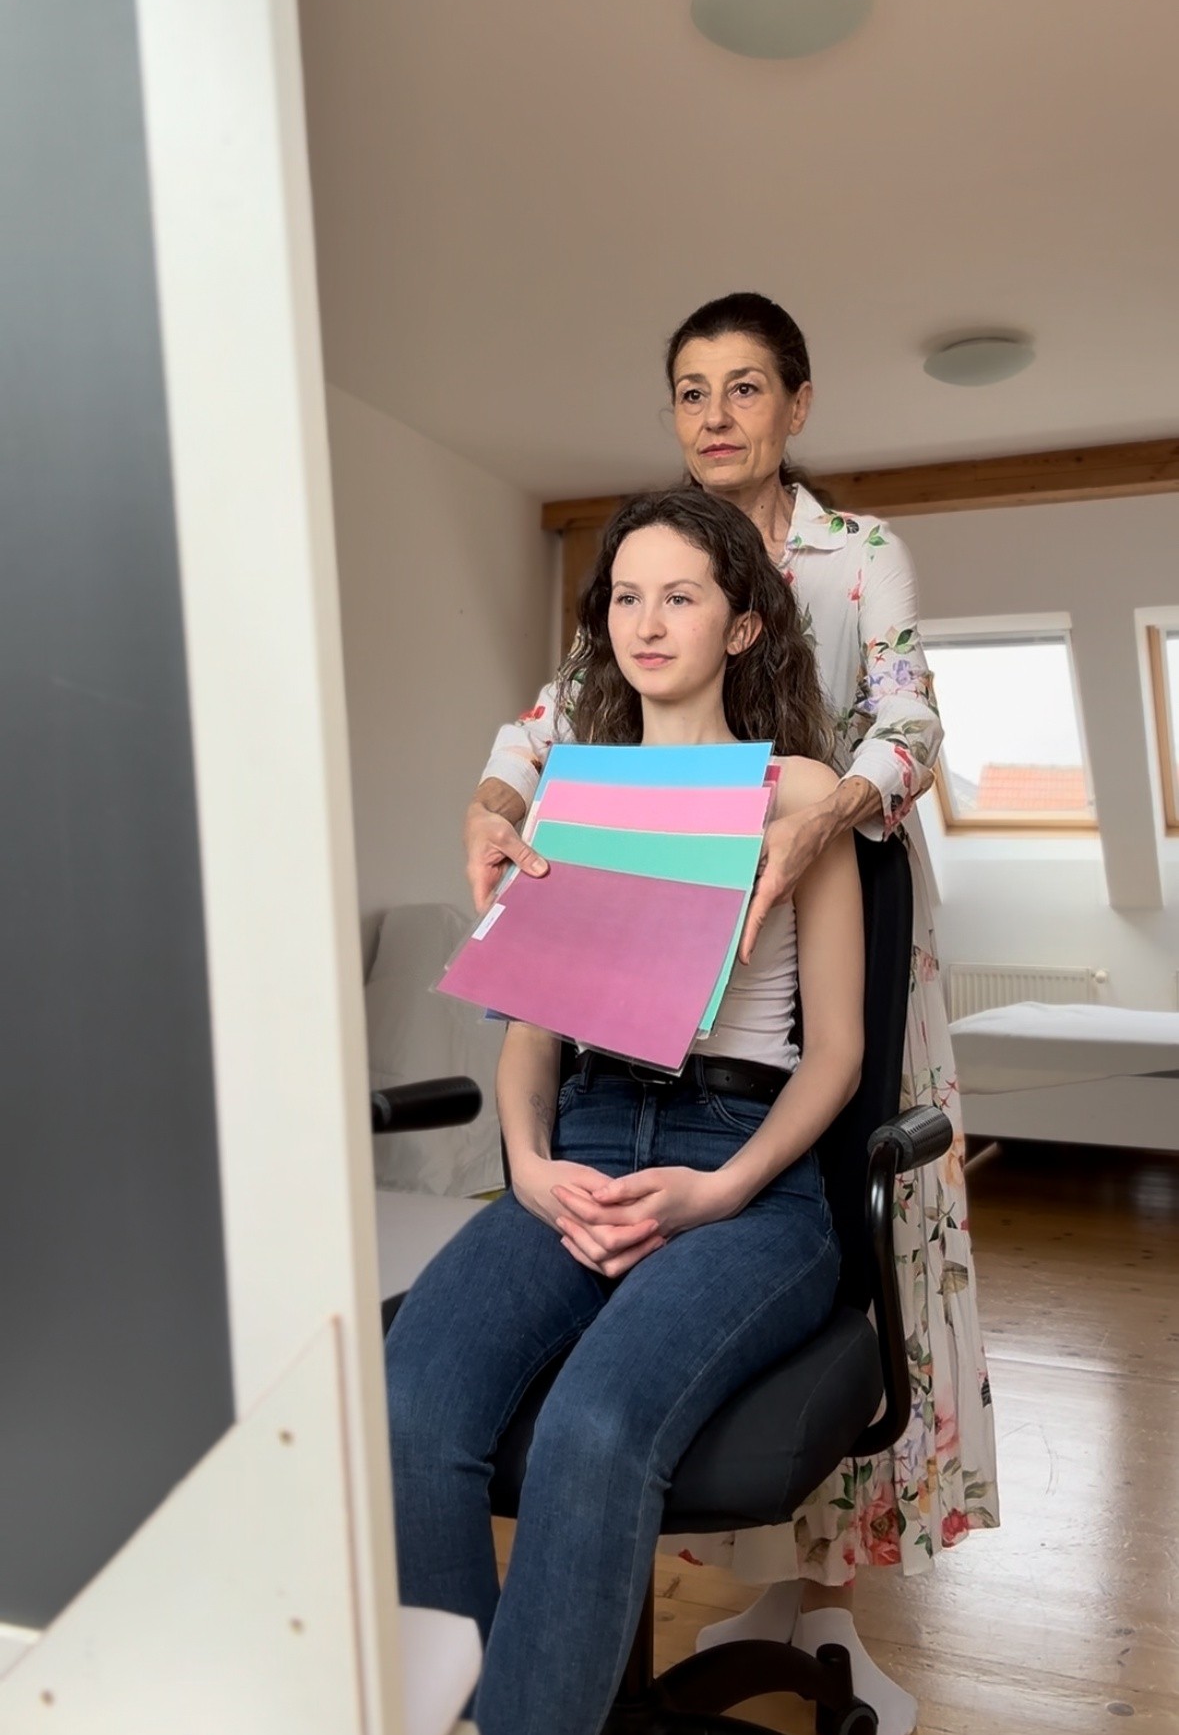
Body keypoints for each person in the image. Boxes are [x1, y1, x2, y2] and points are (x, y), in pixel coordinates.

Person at [464, 293, 999, 1735]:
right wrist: (499, 801)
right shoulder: (656, 570)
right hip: (639, 1002)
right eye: (690, 389)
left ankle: (825, 1594)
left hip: (811, 919)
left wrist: (822, 811)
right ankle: (714, 1590)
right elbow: (542, 722)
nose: (715, 413)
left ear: (796, 405)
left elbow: (909, 717)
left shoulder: (855, 554)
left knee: (846, 1215)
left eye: (745, 386)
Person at [386, 488, 865, 1735]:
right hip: (583, 1144)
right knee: (409, 1397)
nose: (647, 623)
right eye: (627, 597)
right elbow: (531, 1034)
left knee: (595, 1426)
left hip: (745, 1175)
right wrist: (527, 1163)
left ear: (743, 625)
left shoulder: (800, 795)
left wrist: (722, 1189)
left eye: (682, 596)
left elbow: (838, 1055)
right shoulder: (569, 795)